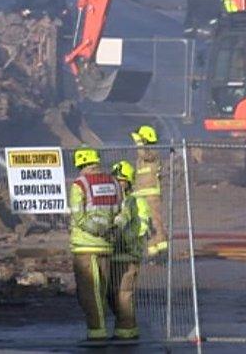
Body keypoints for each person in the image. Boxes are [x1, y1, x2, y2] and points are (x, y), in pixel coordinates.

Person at [69, 146, 122, 341]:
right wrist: (109, 229)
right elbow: (121, 212)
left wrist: (95, 229)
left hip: (85, 246)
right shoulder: (114, 182)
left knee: (89, 292)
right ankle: (101, 329)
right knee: (101, 291)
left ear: (81, 163)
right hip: (106, 246)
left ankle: (97, 333)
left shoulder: (79, 184)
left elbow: (78, 215)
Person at [109, 160, 148, 341]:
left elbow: (135, 227)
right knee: (112, 294)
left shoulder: (132, 201)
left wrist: (114, 231)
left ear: (128, 182)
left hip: (128, 255)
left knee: (124, 294)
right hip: (113, 255)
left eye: (121, 180)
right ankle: (123, 327)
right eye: (115, 179)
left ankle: (127, 331)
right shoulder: (112, 200)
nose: (117, 183)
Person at [130, 125, 167, 255]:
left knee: (156, 223)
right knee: (147, 226)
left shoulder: (153, 153)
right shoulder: (140, 159)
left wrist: (138, 142)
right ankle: (152, 252)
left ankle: (163, 251)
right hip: (140, 197)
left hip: (152, 196)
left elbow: (145, 154)